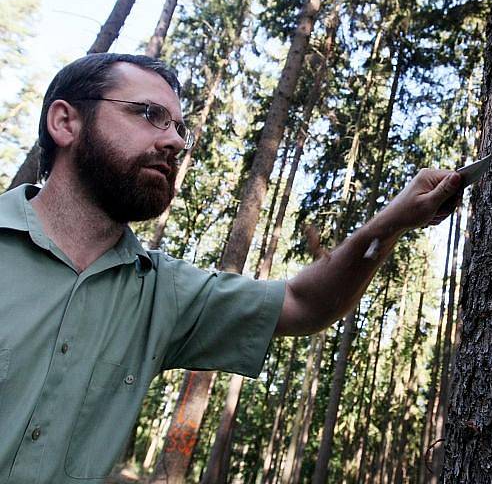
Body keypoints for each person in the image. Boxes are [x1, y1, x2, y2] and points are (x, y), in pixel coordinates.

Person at [0, 53, 462, 483]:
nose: (175, 141)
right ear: (66, 122)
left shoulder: (161, 291)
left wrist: (393, 221)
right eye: (147, 114)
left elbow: (303, 304)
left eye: (181, 129)